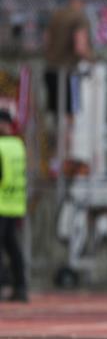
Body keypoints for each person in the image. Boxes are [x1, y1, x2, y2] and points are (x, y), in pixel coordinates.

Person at [44, 0, 92, 173]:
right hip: (68, 72)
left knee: (55, 116)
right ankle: (66, 157)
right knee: (70, 116)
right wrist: (94, 59)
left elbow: (46, 40)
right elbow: (80, 47)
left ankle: (53, 159)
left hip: (51, 70)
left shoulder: (56, 15)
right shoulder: (79, 17)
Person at [0, 110, 28, 302]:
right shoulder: (18, 145)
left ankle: (5, 284)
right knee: (13, 248)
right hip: (15, 204)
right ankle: (20, 286)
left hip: (1, 204)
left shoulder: (1, 147)